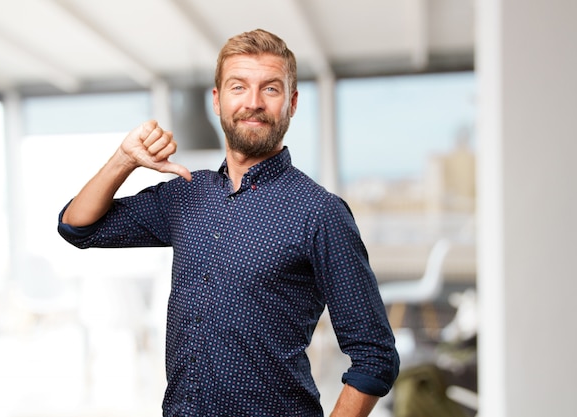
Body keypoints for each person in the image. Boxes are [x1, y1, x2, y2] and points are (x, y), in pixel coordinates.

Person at [58, 29, 399, 417]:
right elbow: (78, 227)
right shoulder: (186, 193)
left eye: (270, 89)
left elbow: (375, 356)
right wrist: (124, 159)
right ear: (218, 100)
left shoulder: (320, 212)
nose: (253, 103)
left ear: (292, 102)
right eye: (239, 87)